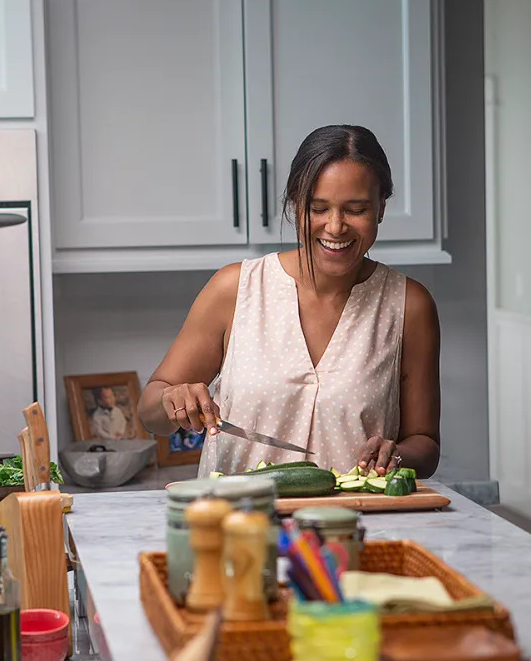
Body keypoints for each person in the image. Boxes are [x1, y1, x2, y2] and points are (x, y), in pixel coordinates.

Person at [138, 124, 440, 478]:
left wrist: (396, 455)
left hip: (354, 525)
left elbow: (425, 444)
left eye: (356, 209)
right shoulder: (234, 289)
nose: (336, 226)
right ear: (295, 205)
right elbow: (149, 412)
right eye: (318, 208)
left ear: (381, 208)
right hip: (238, 525)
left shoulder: (409, 305)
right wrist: (171, 400)